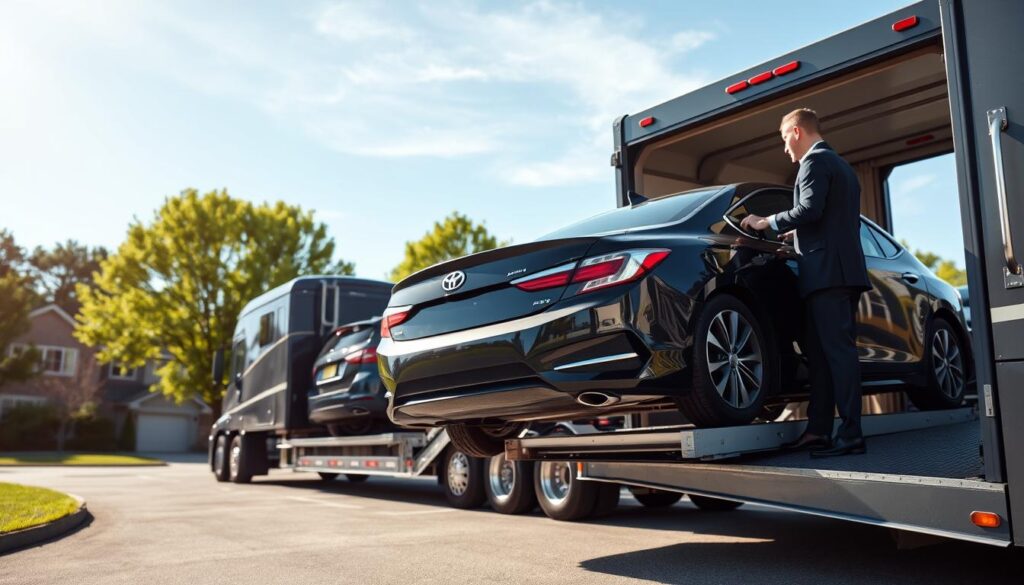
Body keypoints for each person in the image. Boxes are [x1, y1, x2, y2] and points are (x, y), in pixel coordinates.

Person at [740, 108, 871, 457]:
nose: (785, 149)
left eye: (784, 139)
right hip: (840, 271)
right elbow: (831, 220)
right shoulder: (841, 166)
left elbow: (811, 209)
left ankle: (851, 434)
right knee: (823, 355)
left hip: (827, 275)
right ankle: (819, 431)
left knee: (838, 355)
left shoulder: (814, 163)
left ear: (796, 132)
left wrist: (766, 222)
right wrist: (795, 238)